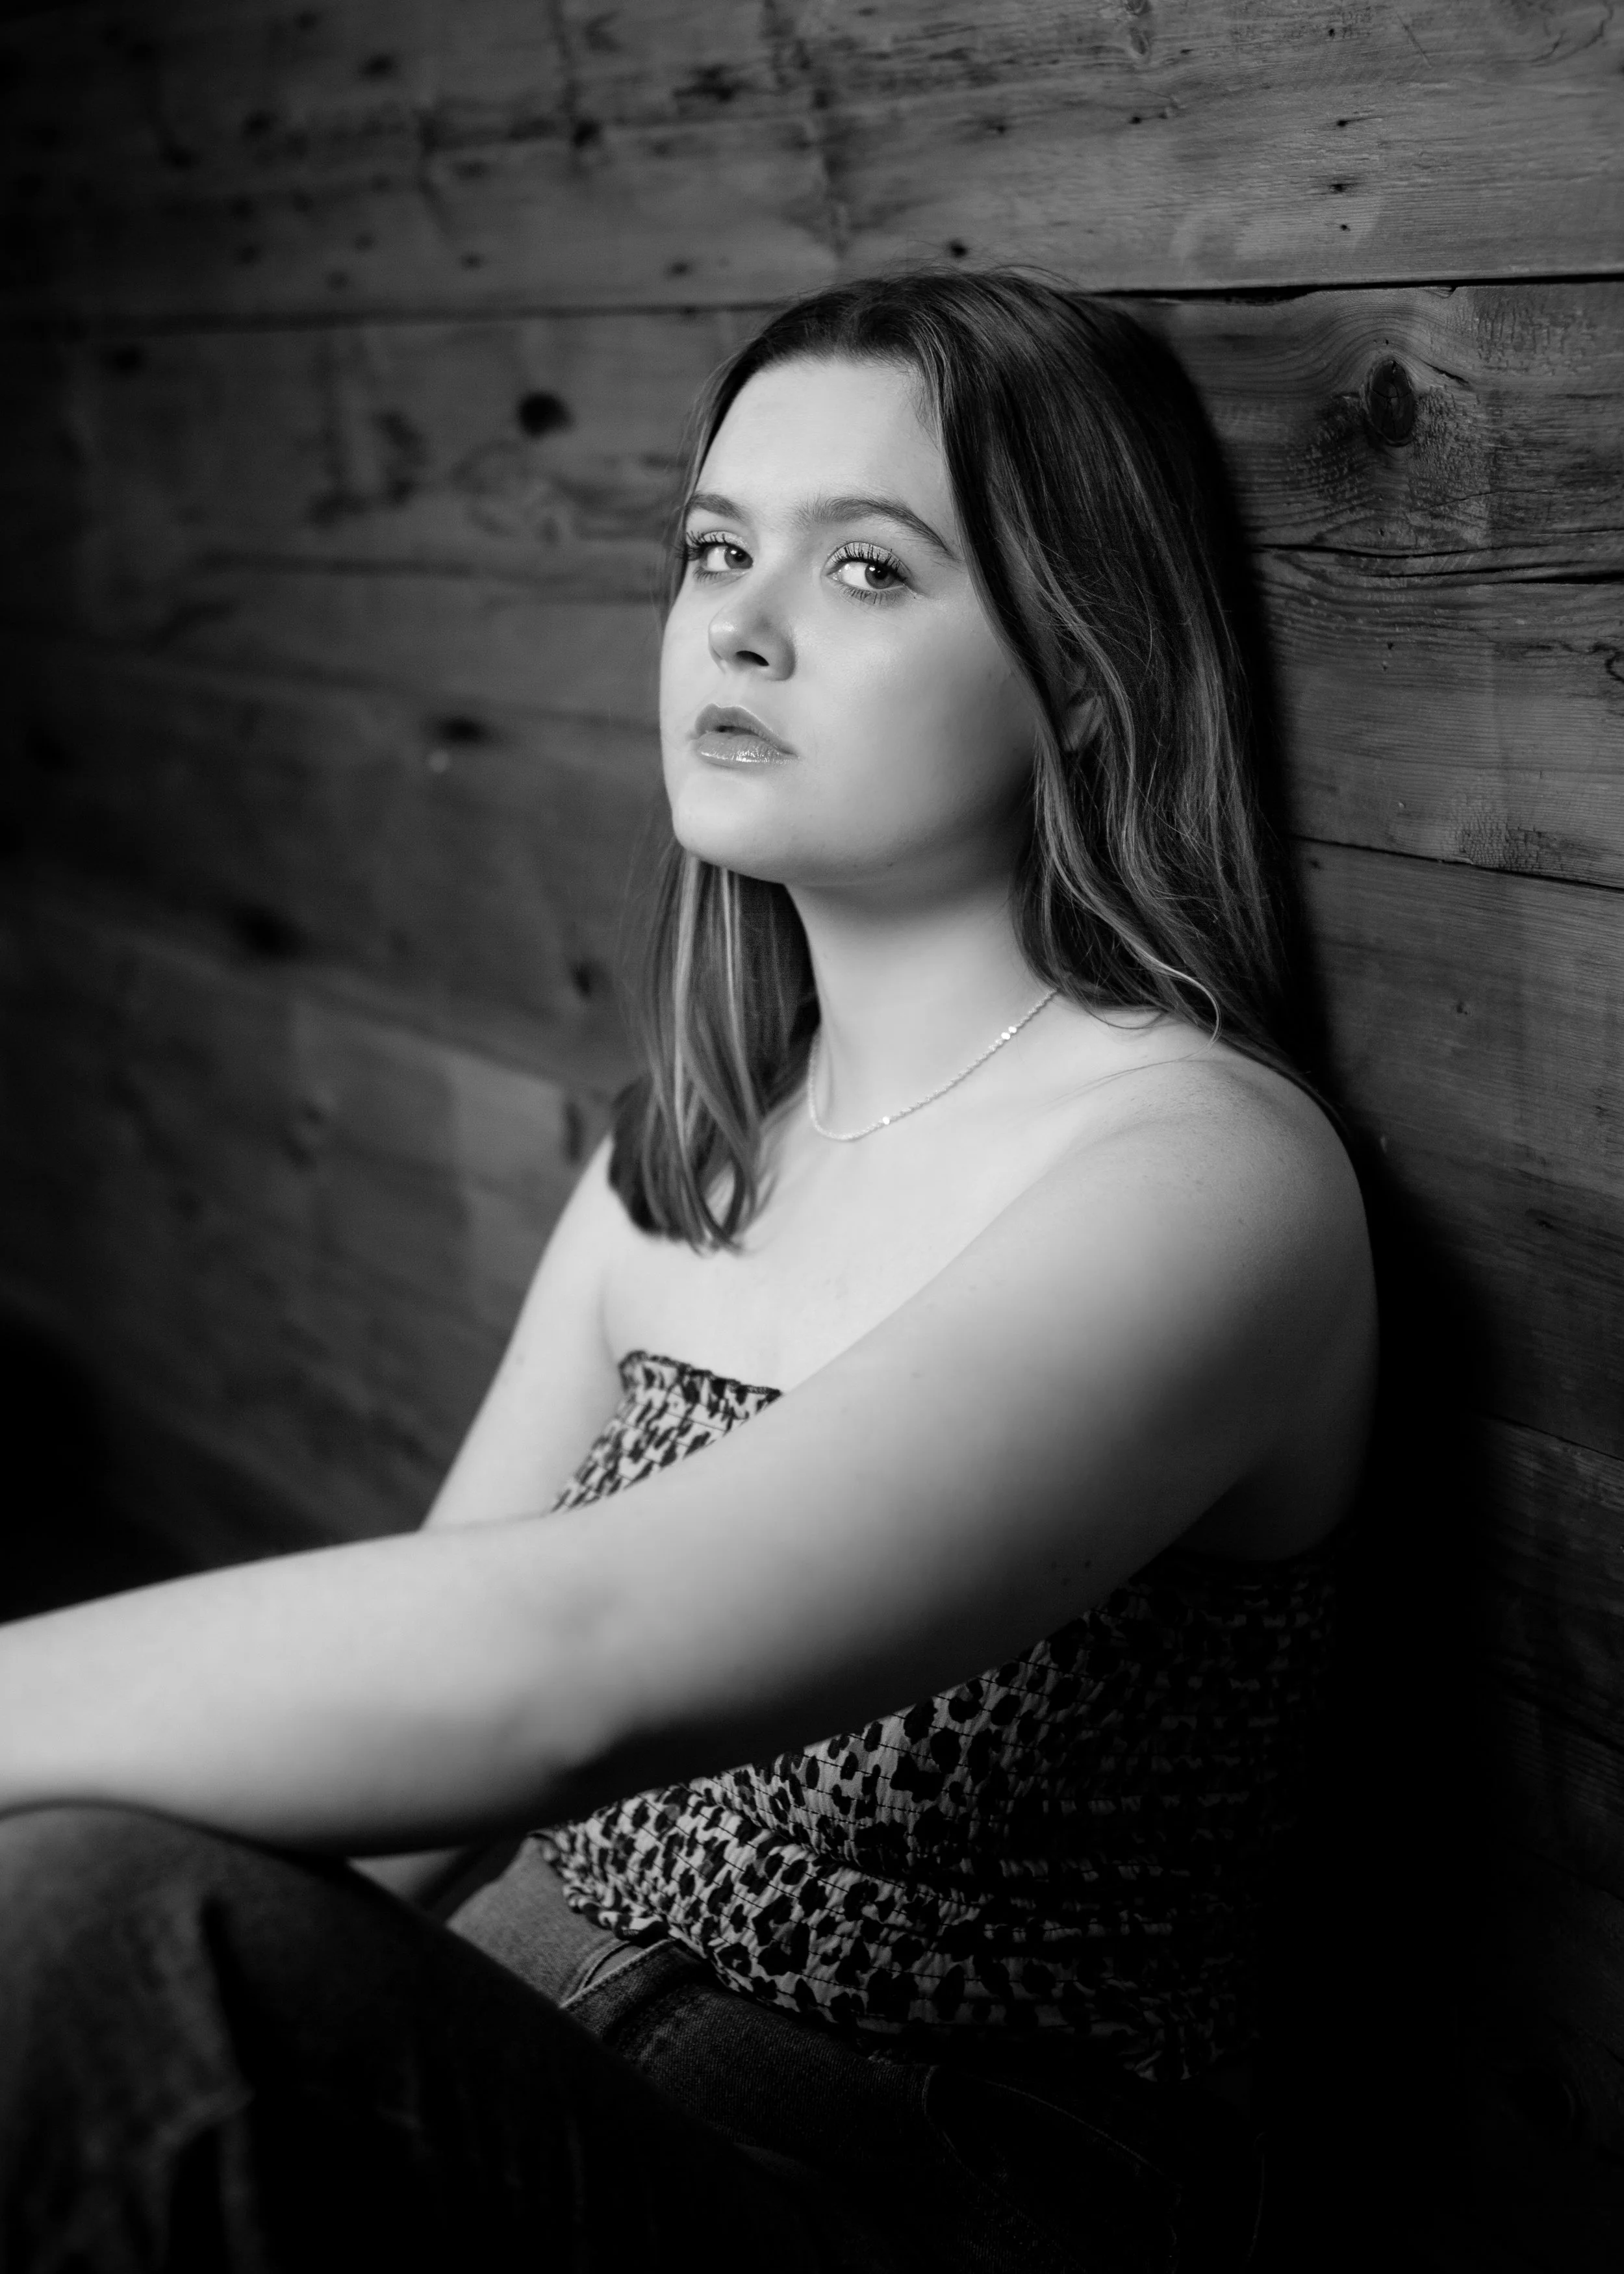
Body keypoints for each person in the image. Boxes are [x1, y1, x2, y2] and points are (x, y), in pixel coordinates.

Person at [0, 270, 1377, 2272]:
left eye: (870, 570)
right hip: (496, 2065)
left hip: (894, 2189)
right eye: (715, 548)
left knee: (114, 1936)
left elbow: (561, 1663)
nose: (738, 622)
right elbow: (411, 1770)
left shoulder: (1201, 1179)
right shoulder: (702, 1140)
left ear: (1081, 675)